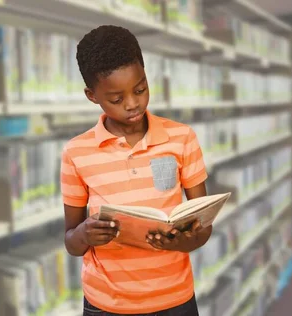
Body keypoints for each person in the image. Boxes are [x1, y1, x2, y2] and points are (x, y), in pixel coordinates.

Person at [61, 25, 211, 316]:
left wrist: (184, 240)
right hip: (106, 304)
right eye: (116, 99)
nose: (133, 104)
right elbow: (71, 241)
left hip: (174, 298)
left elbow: (202, 227)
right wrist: (85, 234)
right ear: (92, 96)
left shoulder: (182, 138)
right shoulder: (76, 153)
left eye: (141, 89)